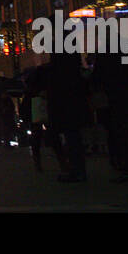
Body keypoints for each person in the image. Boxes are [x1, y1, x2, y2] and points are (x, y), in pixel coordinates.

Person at [45, 52, 89, 182]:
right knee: (73, 136)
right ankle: (78, 169)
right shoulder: (71, 59)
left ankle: (76, 170)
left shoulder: (60, 61)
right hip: (71, 99)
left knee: (71, 137)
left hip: (64, 100)